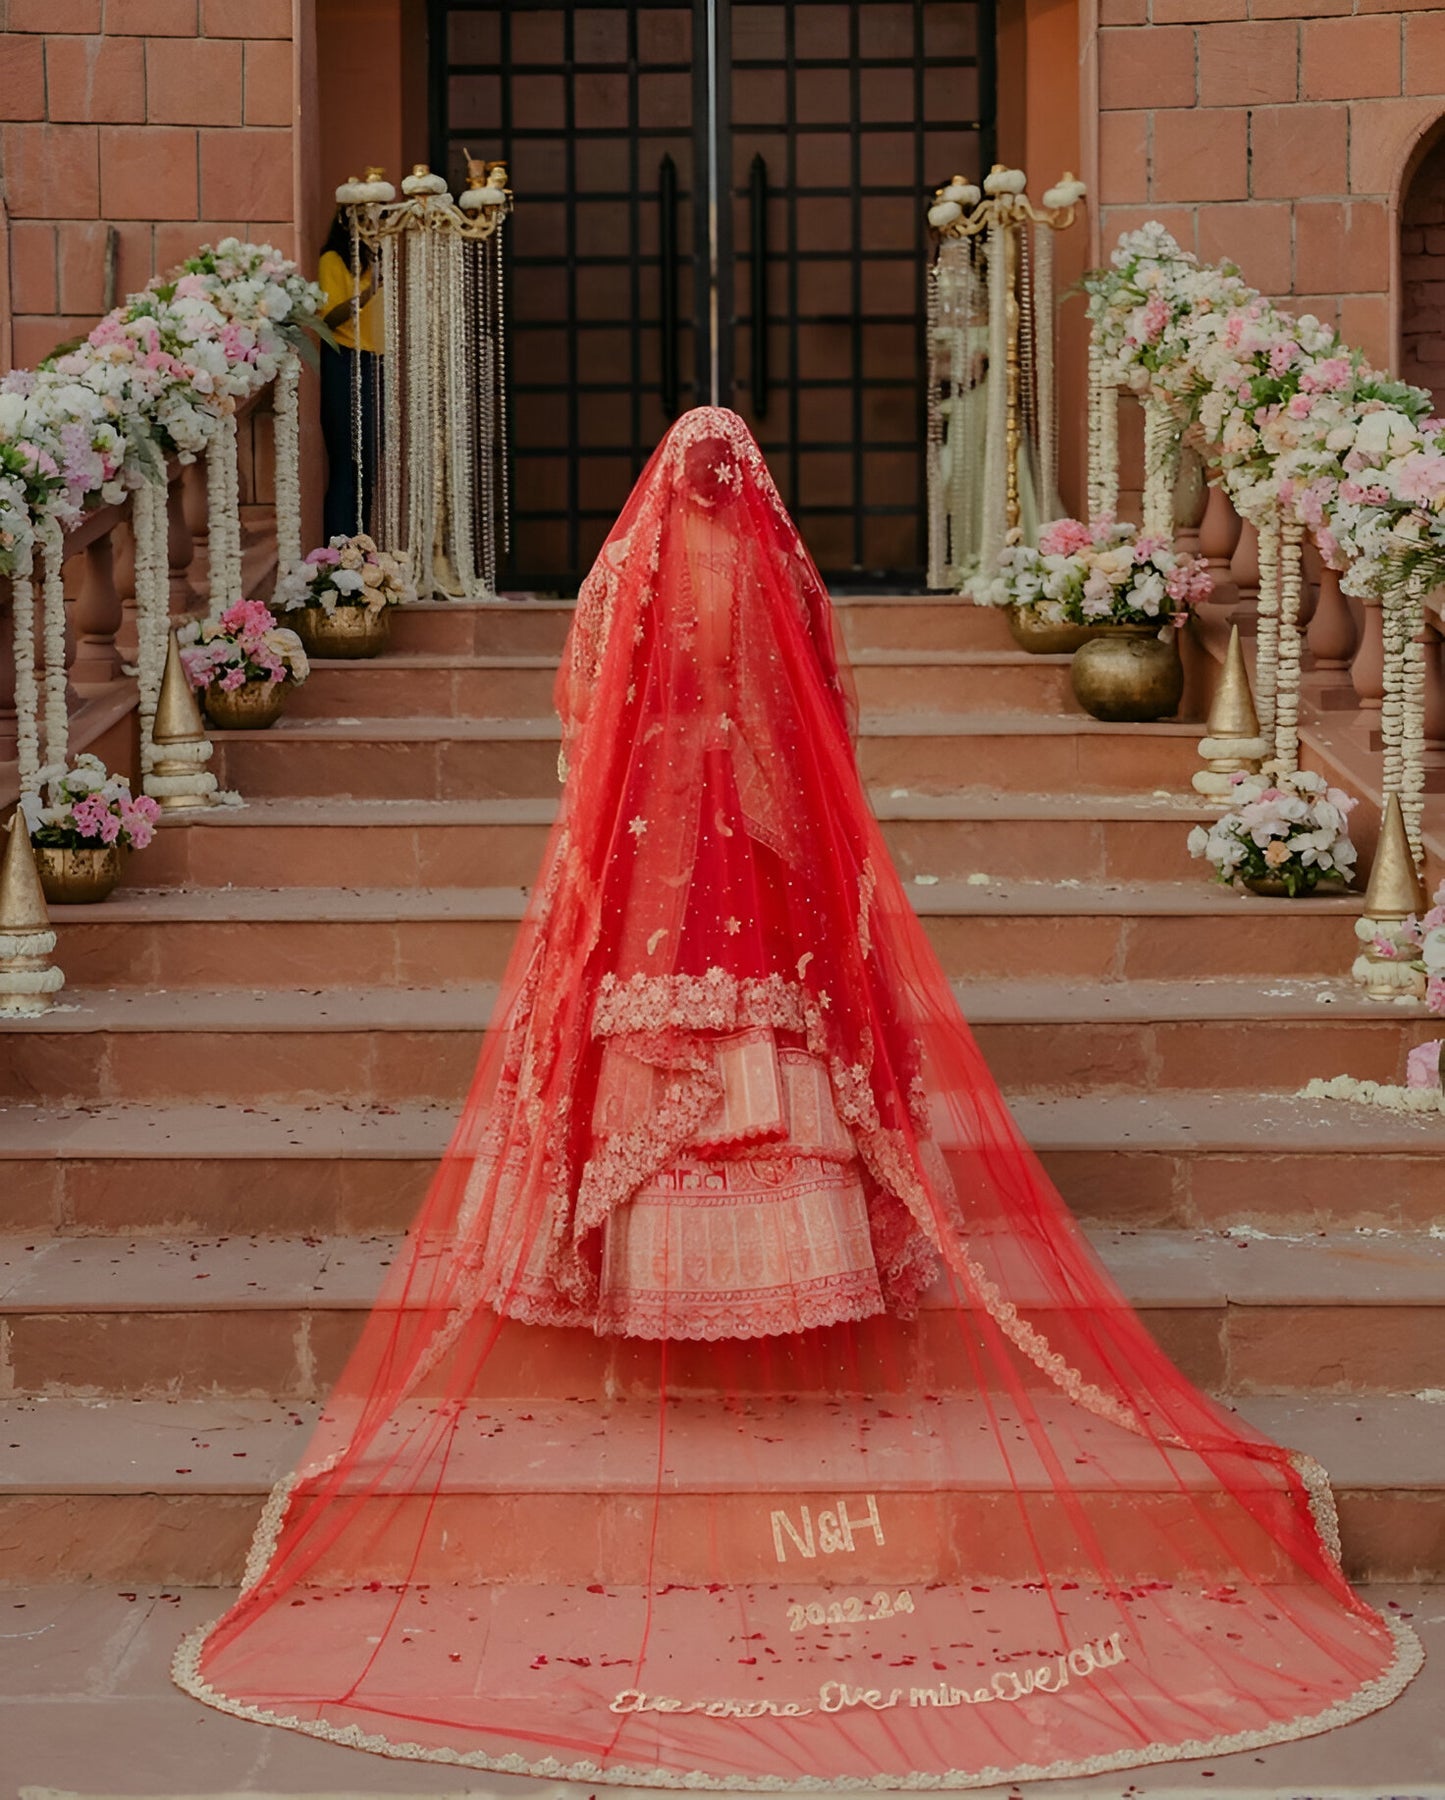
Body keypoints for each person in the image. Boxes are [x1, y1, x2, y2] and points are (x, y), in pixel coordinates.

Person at [176, 407, 1419, 1786]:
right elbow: (828, 706)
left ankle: (661, 1286)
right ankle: (789, 1272)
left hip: (652, 825)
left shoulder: (631, 570)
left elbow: (582, 696)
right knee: (774, 1032)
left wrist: (646, 771)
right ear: (753, 484)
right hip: (759, 834)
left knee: (664, 1040)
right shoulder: (780, 573)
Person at [316, 209, 382, 540]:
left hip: (373, 361)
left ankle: (360, 547)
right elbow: (327, 320)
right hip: (344, 359)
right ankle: (340, 550)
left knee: (368, 465)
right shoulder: (332, 260)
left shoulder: (373, 263)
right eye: (367, 218)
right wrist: (367, 295)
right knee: (349, 462)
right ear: (347, 222)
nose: (374, 225)